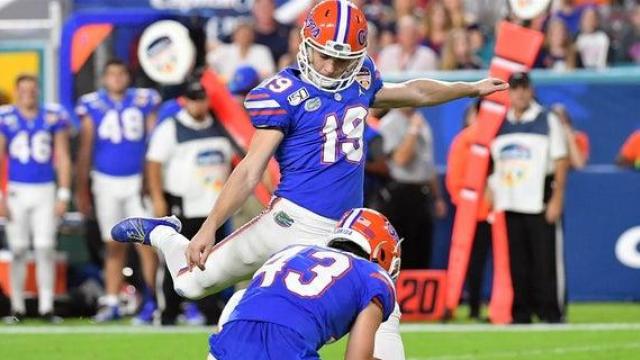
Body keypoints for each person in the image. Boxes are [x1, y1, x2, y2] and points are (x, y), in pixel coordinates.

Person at [112, 1, 506, 358]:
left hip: (346, 230)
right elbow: (251, 168)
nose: (332, 67)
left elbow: (413, 92)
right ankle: (165, 234)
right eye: (325, 56)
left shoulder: (361, 79)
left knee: (383, 308)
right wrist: (209, 227)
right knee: (191, 285)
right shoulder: (283, 93)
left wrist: (468, 88)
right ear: (306, 44)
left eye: (342, 59)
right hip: (290, 221)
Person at [112, 208, 400, 360]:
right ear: (382, 252)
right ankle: (164, 236)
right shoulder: (374, 278)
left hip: (228, 343)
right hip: (283, 348)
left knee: (205, 287)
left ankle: (164, 236)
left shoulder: (293, 252)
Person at [75, 59, 161, 322]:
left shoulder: (144, 101)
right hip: (105, 180)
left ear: (128, 77)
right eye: (111, 74)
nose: (116, 79)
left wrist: (152, 180)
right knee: (112, 244)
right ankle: (111, 300)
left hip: (137, 181)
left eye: (121, 73)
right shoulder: (92, 105)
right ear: (103, 78)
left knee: (146, 244)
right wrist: (81, 189)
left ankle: (153, 298)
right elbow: (86, 148)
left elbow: (154, 141)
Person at [146, 79, 234, 325]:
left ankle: (209, 310)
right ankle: (167, 312)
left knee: (211, 262)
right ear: (185, 101)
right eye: (194, 99)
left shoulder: (220, 125)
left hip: (214, 208)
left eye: (202, 99)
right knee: (175, 257)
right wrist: (157, 198)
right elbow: (154, 163)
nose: (199, 105)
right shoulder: (171, 127)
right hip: (183, 204)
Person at [488, 72, 569, 324]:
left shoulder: (547, 119)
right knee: (518, 262)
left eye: (524, 87)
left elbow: (561, 159)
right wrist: (491, 189)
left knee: (546, 261)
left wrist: (557, 198)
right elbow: (491, 162)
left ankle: (551, 313)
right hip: (511, 199)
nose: (520, 93)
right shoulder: (501, 123)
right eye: (515, 88)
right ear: (509, 92)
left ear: (531, 90)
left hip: (539, 198)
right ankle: (521, 313)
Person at [0, 74, 72, 323]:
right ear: (17, 92)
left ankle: (46, 307)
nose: (28, 94)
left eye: (32, 90)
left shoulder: (52, 116)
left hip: (45, 189)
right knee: (18, 249)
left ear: (38, 91)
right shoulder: (6, 118)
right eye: (24, 90)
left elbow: (62, 156)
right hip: (16, 190)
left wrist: (63, 192)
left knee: (45, 248)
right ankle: (17, 308)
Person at [379, 109, 447, 269]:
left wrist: (438, 197)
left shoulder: (421, 120)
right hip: (400, 194)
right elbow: (401, 159)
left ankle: (418, 292)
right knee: (401, 253)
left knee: (422, 251)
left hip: (423, 194)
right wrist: (413, 130)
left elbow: (428, 164)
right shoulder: (389, 123)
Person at [445, 100, 492, 320]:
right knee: (474, 261)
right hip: (480, 211)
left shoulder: (465, 139)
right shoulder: (468, 140)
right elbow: (455, 178)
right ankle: (469, 305)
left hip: (482, 209)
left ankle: (466, 305)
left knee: (474, 261)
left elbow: (453, 178)